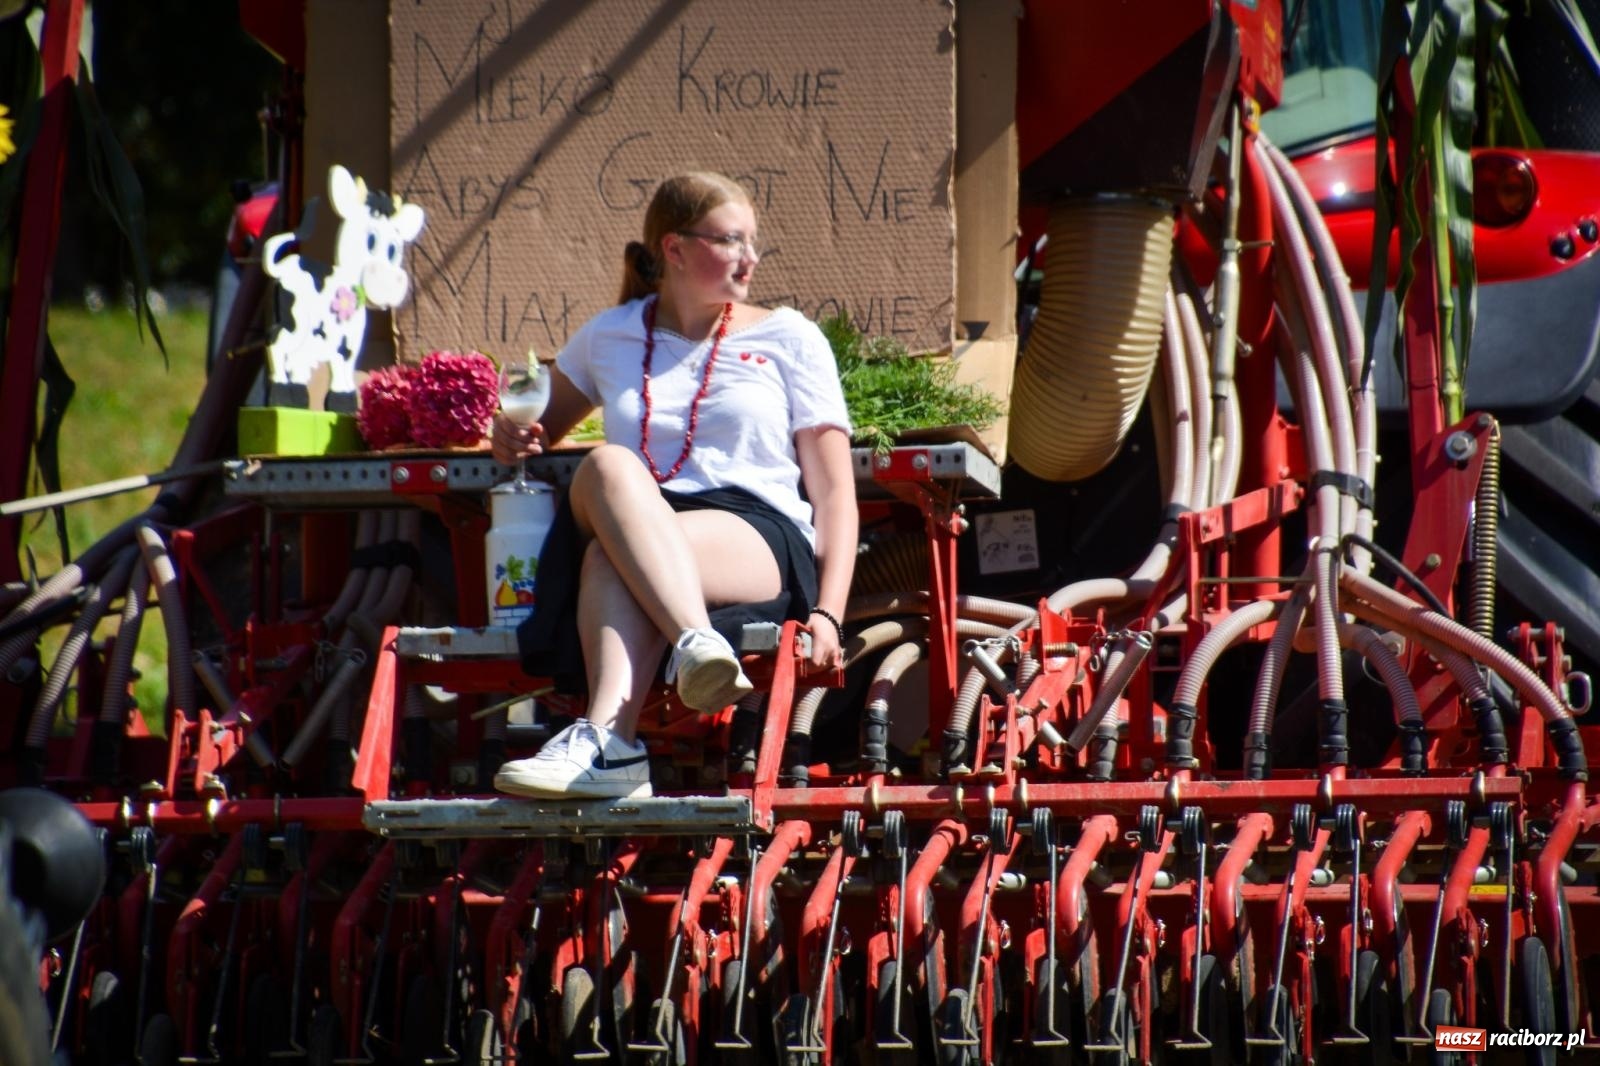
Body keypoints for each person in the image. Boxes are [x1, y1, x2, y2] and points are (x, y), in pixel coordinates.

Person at [489, 172, 858, 799]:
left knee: (614, 551)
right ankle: (693, 645)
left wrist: (829, 611)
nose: (751, 257)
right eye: (733, 241)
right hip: (638, 508)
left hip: (752, 530)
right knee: (607, 467)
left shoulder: (790, 336)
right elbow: (534, 429)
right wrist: (509, 436)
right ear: (675, 249)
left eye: (752, 243)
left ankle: (609, 739)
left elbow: (834, 495)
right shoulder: (609, 334)